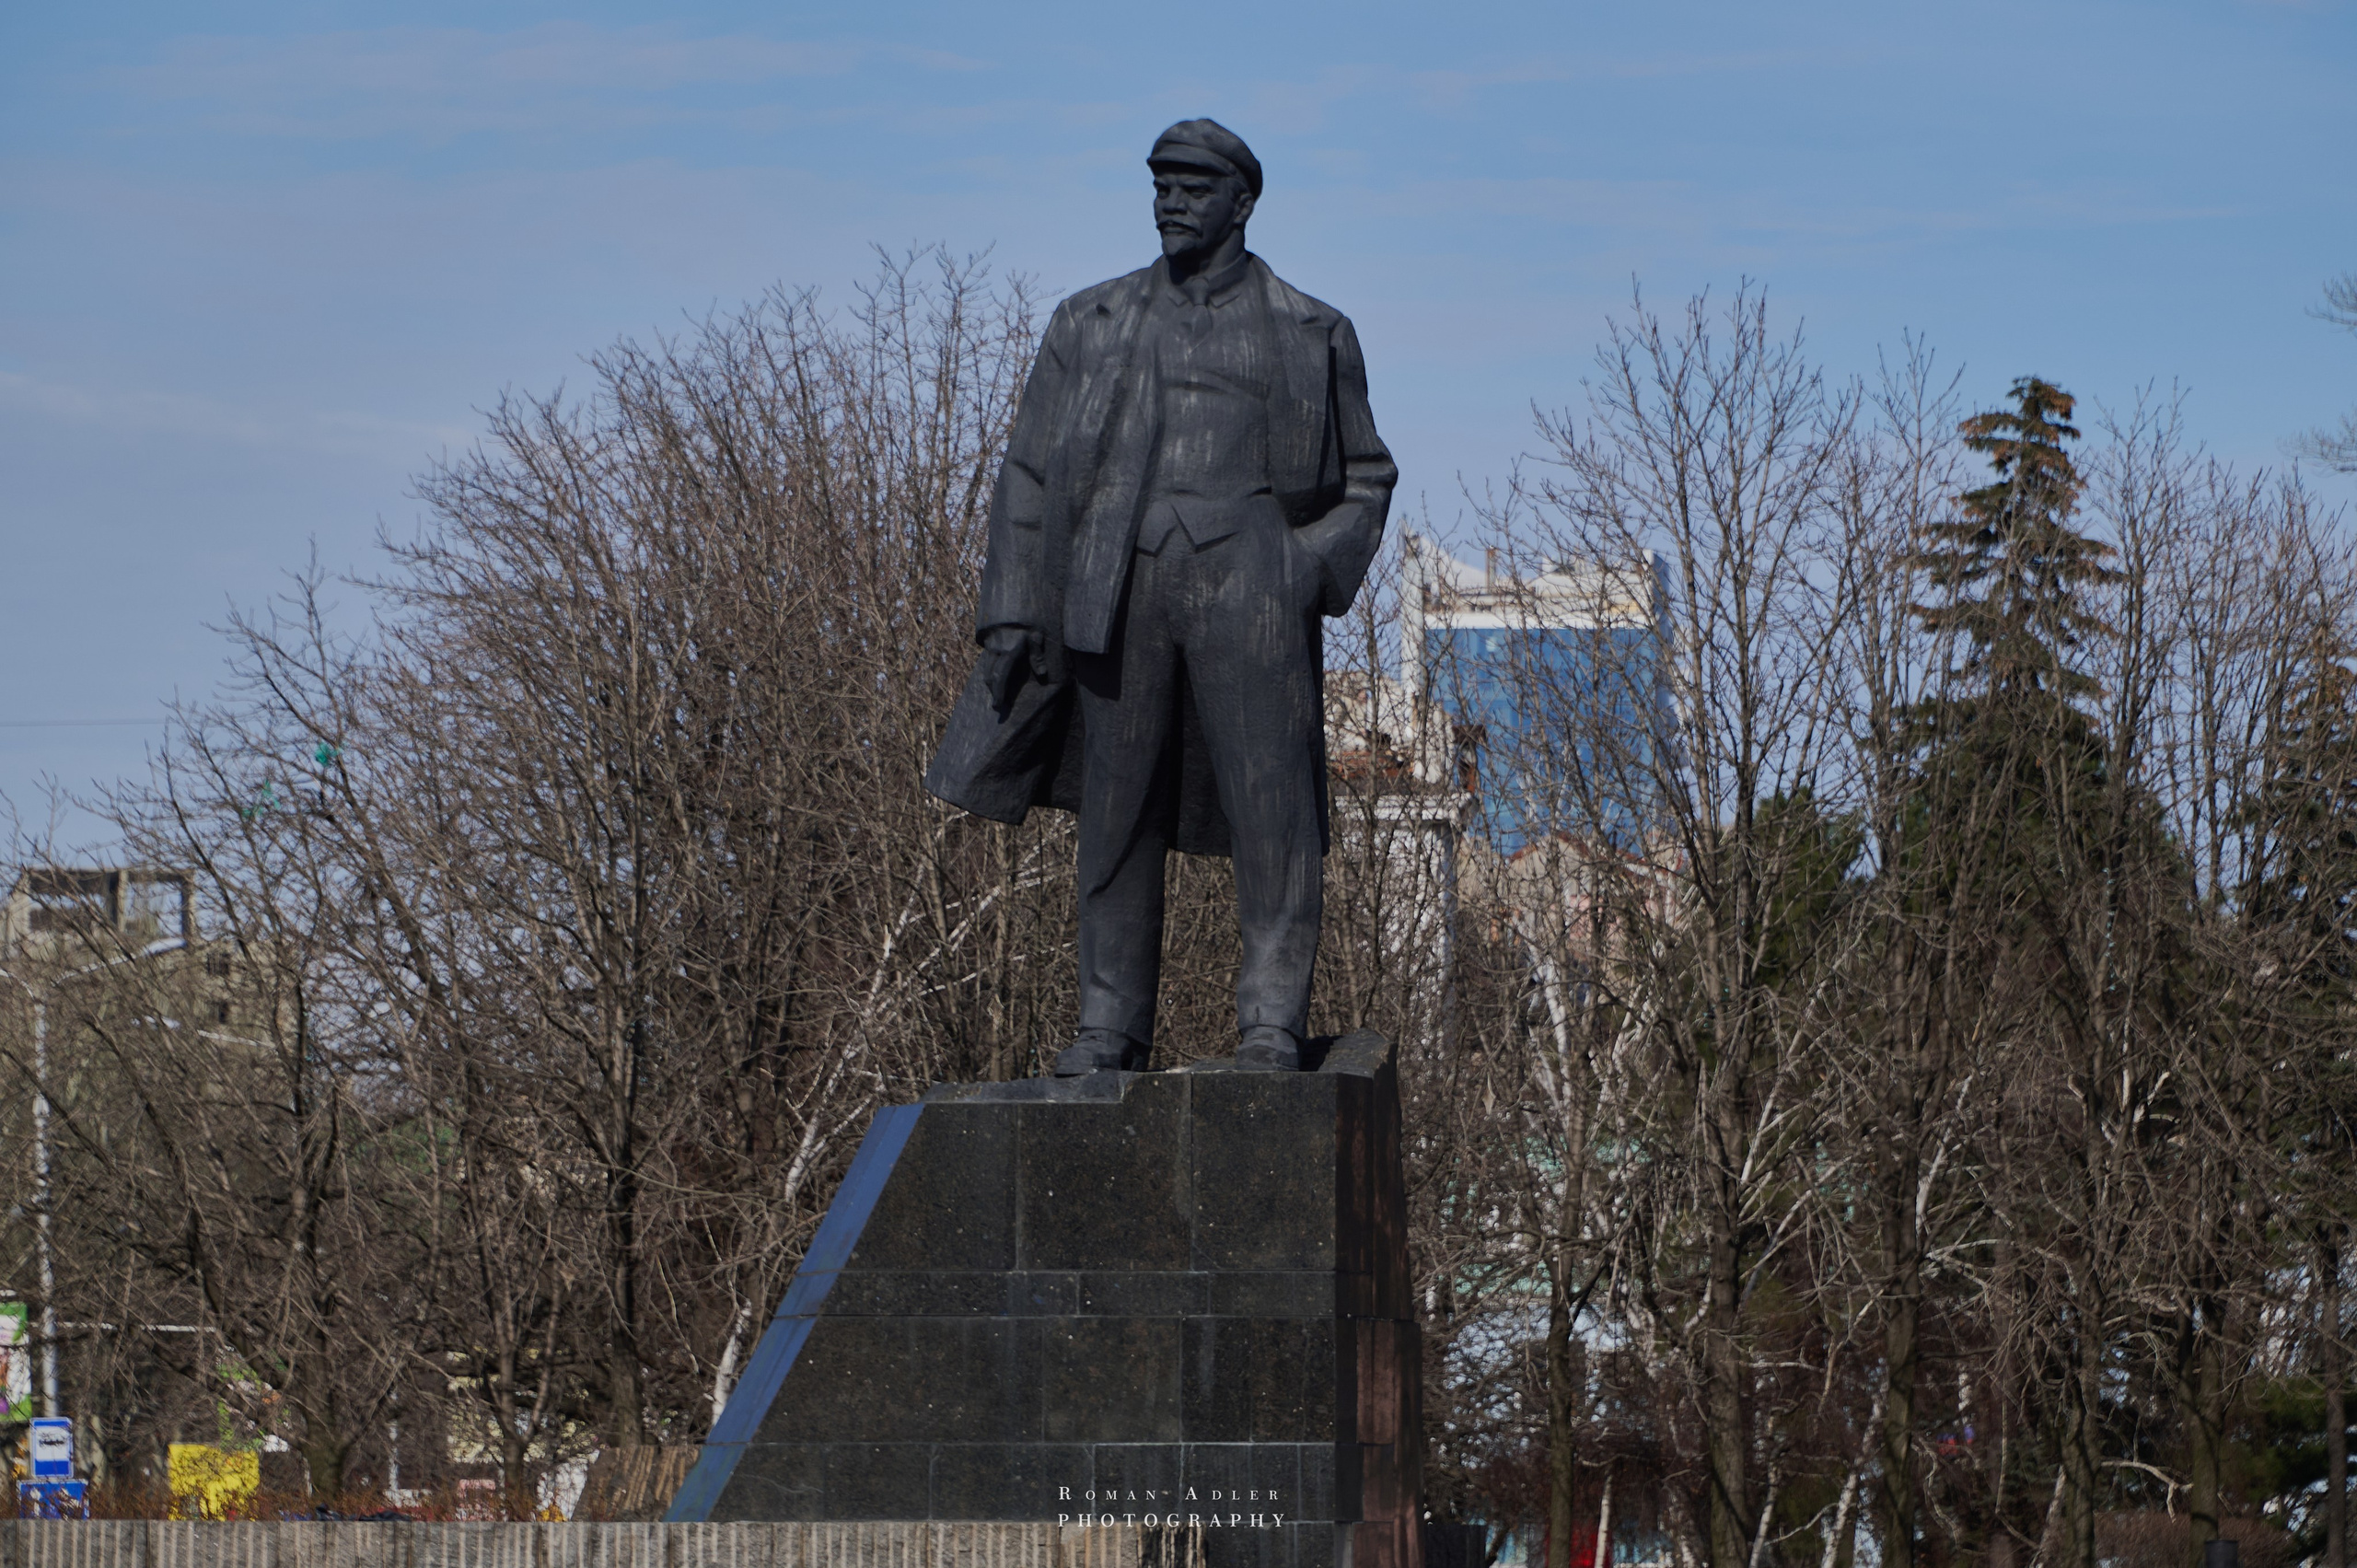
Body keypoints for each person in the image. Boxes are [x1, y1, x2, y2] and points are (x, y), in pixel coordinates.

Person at [924, 118, 1395, 1074]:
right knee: (1117, 808)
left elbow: (1366, 479)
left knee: (1275, 814)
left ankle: (1269, 1019)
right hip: (1120, 585)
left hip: (1253, 586)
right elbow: (1028, 475)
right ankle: (1108, 1024)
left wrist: (1304, 567)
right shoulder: (1088, 323)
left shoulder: (1313, 330)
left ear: (1241, 202)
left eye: (1191, 189)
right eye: (1160, 187)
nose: (1171, 204)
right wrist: (1013, 604)